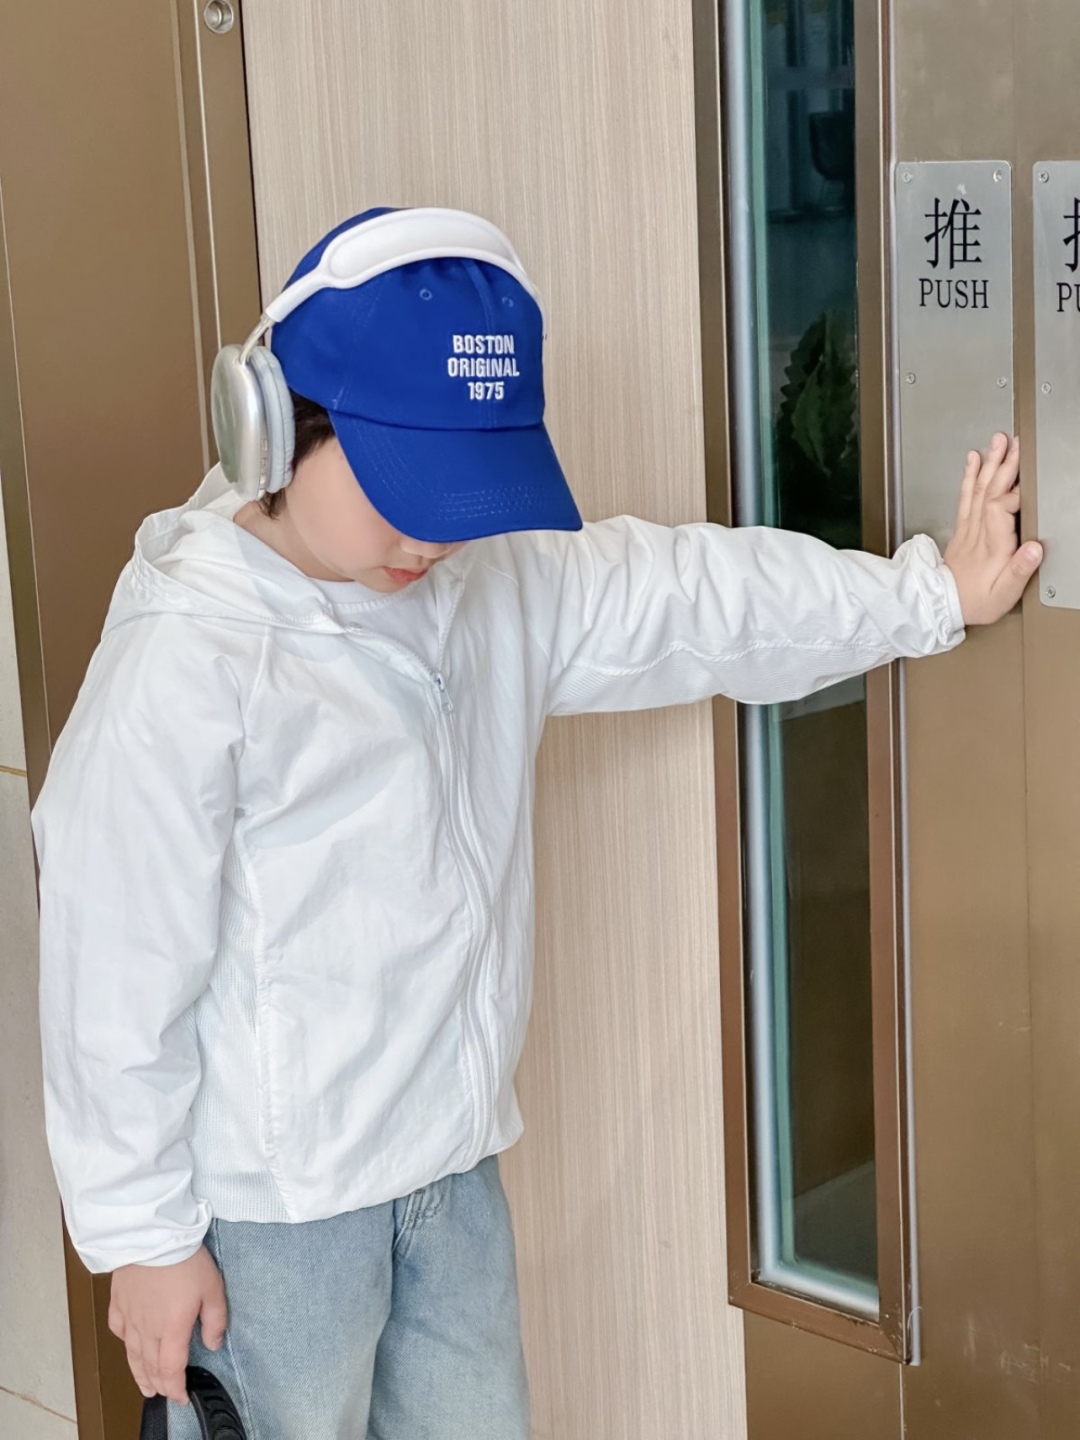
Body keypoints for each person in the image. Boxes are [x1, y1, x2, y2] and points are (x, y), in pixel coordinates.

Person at [32, 207, 1041, 1440]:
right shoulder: (189, 658)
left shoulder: (485, 584)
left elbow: (693, 598)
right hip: (274, 1216)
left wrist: (928, 595)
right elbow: (111, 964)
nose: (429, 539)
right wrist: (141, 1235)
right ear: (272, 426)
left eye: (460, 499)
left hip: (449, 1171)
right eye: (401, 494)